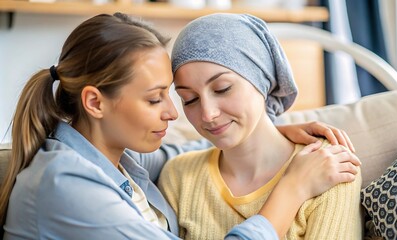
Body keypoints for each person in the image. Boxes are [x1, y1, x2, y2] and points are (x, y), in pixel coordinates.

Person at [0, 12, 360, 239]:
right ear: (95, 103)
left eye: (222, 89)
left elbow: (195, 149)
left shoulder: (117, 161)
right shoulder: (65, 185)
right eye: (159, 98)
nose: (175, 113)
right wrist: (291, 190)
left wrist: (266, 130)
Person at [158, 13, 363, 240]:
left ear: (262, 80)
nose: (208, 114)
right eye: (189, 99)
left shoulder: (329, 164)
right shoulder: (177, 176)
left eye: (222, 88)